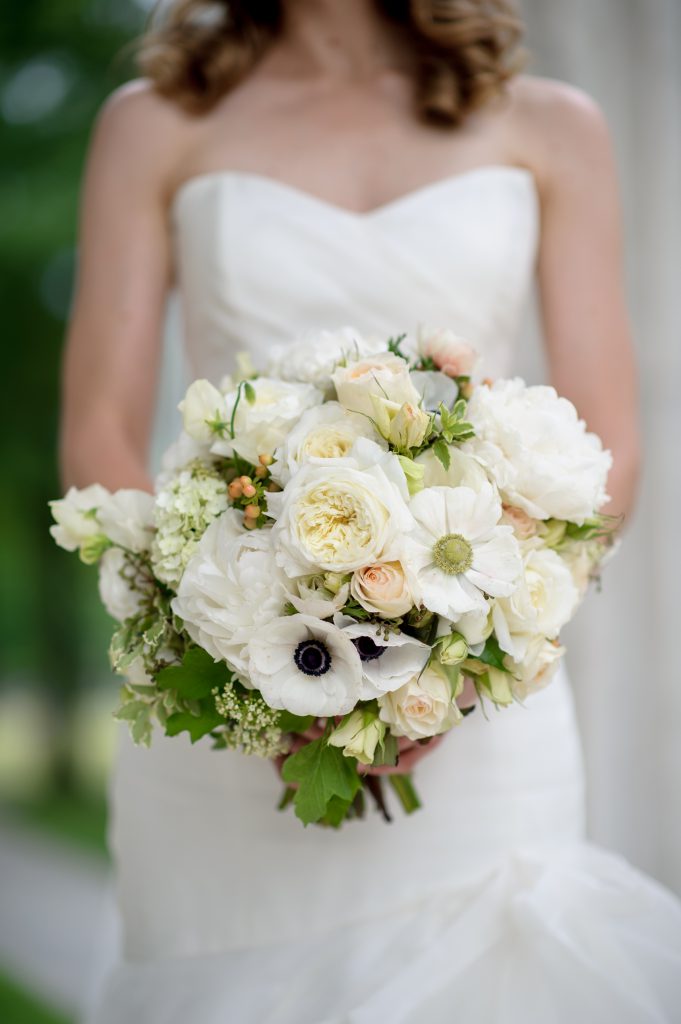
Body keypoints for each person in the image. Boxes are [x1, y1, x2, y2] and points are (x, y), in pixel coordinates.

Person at [59, 1, 681, 1021]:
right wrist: (242, 662)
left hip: (482, 718)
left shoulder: (553, 126)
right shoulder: (157, 121)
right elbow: (99, 436)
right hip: (222, 709)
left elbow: (607, 448)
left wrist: (450, 662)